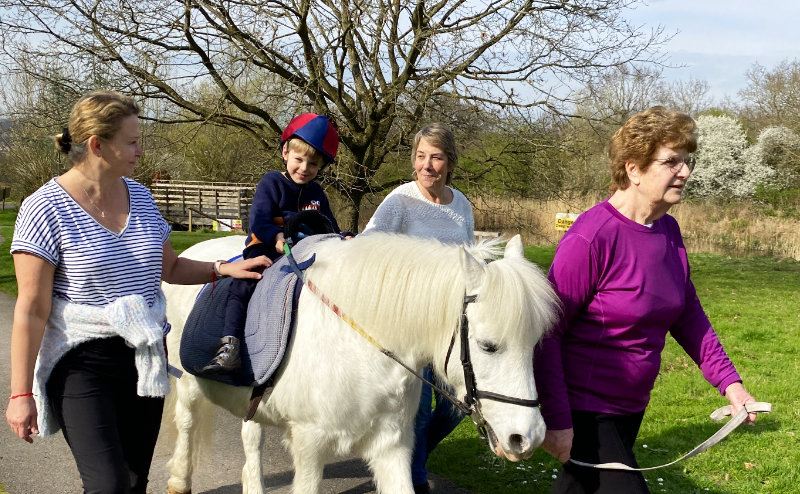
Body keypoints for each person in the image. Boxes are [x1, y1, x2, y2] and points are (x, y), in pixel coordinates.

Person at [5, 90, 271, 493]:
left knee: (133, 482)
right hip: (81, 362)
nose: (140, 152)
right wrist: (20, 393)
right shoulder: (44, 208)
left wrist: (224, 268)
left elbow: (170, 267)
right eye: (132, 142)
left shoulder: (141, 198)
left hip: (144, 360)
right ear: (97, 145)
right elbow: (31, 309)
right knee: (108, 485)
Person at [533, 106, 759, 494]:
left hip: (631, 407)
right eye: (672, 161)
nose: (685, 172)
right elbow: (547, 332)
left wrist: (731, 385)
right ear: (633, 168)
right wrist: (557, 420)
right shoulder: (591, 237)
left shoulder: (667, 231)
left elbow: (689, 316)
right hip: (586, 408)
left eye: (687, 162)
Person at [361, 122, 474, 494]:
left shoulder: (462, 207)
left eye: (436, 157)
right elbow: (367, 249)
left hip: (449, 329)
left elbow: (468, 261)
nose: (427, 165)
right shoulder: (400, 201)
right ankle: (414, 481)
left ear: (450, 163)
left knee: (459, 405)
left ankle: (406, 463)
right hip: (409, 327)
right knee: (419, 412)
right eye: (421, 156)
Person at [201, 112, 345, 373]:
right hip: (267, 246)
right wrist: (277, 239)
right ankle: (230, 343)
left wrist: (343, 237)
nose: (304, 168)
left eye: (313, 164)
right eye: (299, 159)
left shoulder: (317, 193)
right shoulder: (272, 182)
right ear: (285, 153)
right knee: (245, 280)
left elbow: (329, 225)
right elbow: (260, 220)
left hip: (304, 251)